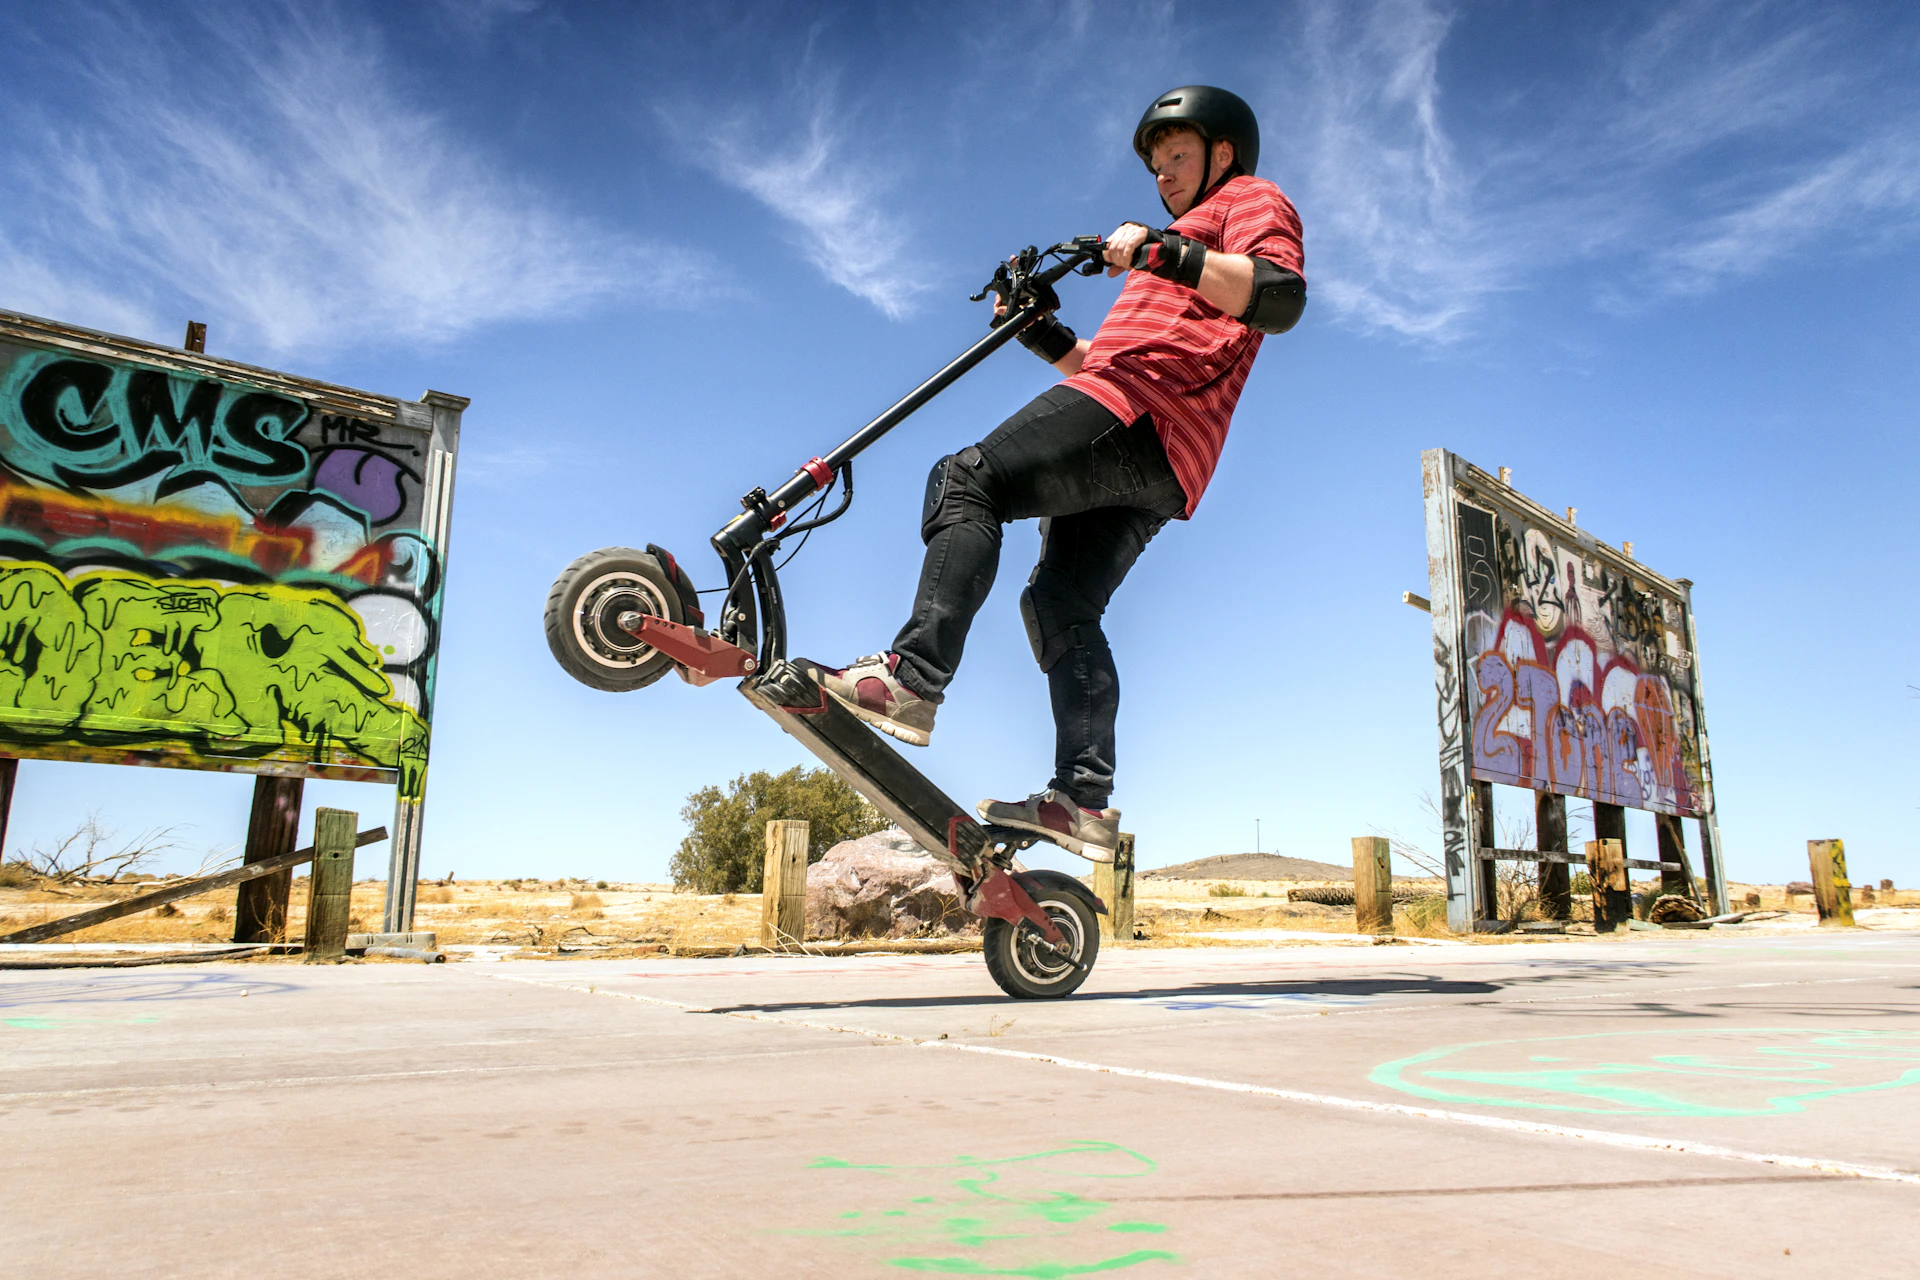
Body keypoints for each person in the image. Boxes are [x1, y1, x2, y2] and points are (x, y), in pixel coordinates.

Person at [802, 85, 1305, 863]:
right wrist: (1043, 333)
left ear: (1224, 152)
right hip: (1155, 451)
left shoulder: (1248, 200)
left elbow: (1279, 296)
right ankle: (1082, 799)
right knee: (1061, 602)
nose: (1165, 175)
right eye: (1156, 165)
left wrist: (1166, 251)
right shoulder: (1167, 253)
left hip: (1143, 414)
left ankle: (912, 678)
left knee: (968, 478)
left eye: (1178, 156)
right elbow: (1100, 364)